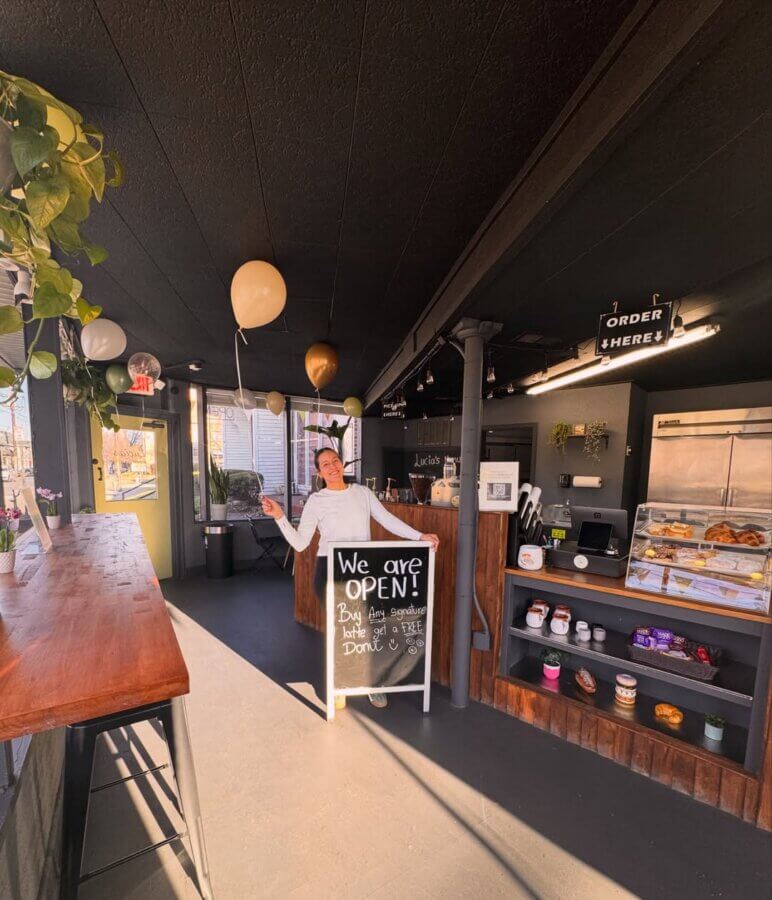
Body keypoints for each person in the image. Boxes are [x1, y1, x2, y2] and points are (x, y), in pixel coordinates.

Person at [262, 447, 440, 710]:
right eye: (325, 464)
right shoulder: (316, 500)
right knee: (342, 632)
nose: (332, 466)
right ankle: (340, 683)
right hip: (331, 572)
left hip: (364, 572)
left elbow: (387, 519)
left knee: (370, 631)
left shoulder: (362, 494)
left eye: (335, 461)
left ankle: (373, 683)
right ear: (319, 472)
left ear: (342, 463)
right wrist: (280, 518)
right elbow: (300, 544)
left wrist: (419, 536)